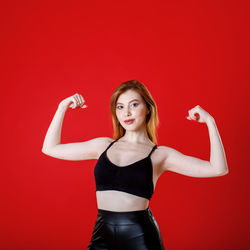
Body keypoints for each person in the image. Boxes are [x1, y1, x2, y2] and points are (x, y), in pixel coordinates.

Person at [42, 80, 229, 250]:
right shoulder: (102, 145)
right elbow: (50, 148)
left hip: (140, 237)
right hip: (102, 233)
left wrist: (210, 122)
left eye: (134, 104)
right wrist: (62, 107)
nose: (127, 113)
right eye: (120, 107)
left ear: (148, 108)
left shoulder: (161, 155)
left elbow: (218, 168)